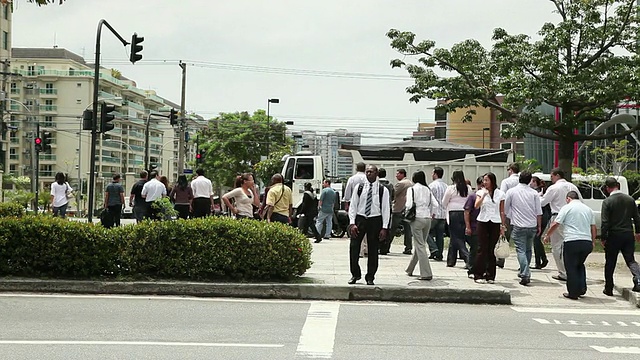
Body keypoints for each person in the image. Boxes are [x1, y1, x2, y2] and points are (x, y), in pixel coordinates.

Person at [544, 191, 596, 300]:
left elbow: (556, 223)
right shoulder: (588, 209)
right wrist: (593, 241)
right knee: (580, 264)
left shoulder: (566, 208)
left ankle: (573, 292)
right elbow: (593, 227)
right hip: (586, 242)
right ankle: (582, 288)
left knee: (571, 266)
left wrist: (547, 235)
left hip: (572, 240)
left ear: (568, 199)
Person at [347, 164, 390, 286]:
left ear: (376, 173)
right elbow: (353, 206)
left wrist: (384, 227)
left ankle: (370, 276)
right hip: (360, 219)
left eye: (371, 172)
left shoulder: (382, 190)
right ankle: (355, 274)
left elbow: (386, 209)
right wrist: (352, 223)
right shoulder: (359, 187)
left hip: (375, 220)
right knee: (354, 247)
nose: (368, 174)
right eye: (367, 172)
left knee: (373, 249)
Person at [600, 177, 640, 295]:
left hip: (614, 235)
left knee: (610, 262)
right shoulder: (630, 199)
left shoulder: (608, 202)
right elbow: (637, 218)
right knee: (630, 259)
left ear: (607, 188)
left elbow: (605, 222)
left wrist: (603, 237)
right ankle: (638, 280)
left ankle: (609, 288)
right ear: (618, 185)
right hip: (627, 233)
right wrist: (638, 232)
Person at [540, 167, 581, 282]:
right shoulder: (573, 187)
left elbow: (543, 202)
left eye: (552, 176)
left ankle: (563, 272)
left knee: (557, 246)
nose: (551, 179)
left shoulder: (554, 188)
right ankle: (571, 269)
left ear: (557, 175)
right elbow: (581, 201)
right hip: (573, 217)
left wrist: (536, 196)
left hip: (558, 216)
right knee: (569, 244)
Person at [503, 171, 542, 286]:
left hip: (518, 225)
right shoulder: (534, 193)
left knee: (520, 250)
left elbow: (505, 209)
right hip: (532, 225)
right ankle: (524, 270)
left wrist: (504, 221)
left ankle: (525, 273)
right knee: (528, 249)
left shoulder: (511, 192)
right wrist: (539, 225)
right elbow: (538, 212)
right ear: (530, 180)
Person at [473, 172, 506, 284]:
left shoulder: (500, 193)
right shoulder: (480, 192)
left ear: (492, 181)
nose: (485, 182)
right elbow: (476, 205)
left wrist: (503, 225)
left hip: (495, 221)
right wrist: (483, 196)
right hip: (483, 220)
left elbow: (502, 210)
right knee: (482, 248)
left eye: (487, 180)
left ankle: (490, 275)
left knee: (491, 249)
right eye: (484, 180)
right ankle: (478, 274)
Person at [404, 171, 438, 280]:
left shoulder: (412, 189)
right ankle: (410, 269)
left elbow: (409, 204)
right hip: (427, 218)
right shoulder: (427, 189)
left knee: (420, 245)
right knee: (421, 244)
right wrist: (432, 213)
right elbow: (436, 204)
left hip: (417, 218)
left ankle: (426, 273)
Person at [442, 170, 471, 267]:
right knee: (455, 237)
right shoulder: (468, 188)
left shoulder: (451, 188)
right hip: (465, 213)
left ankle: (467, 258)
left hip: (453, 213)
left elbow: (444, 202)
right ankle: (451, 260)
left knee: (456, 237)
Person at [386, 169, 413, 255]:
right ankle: (408, 248)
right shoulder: (410, 183)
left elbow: (393, 194)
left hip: (398, 209)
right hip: (408, 209)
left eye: (398, 174)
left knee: (392, 229)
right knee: (408, 230)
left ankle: (386, 247)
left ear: (402, 174)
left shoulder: (401, 184)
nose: (396, 176)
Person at [464, 176, 484, 278]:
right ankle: (471, 268)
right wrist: (468, 226)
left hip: (485, 226)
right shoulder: (473, 196)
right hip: (475, 226)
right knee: (474, 249)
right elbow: (467, 212)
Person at [427, 167, 447, 261]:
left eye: (432, 173)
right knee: (440, 235)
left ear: (435, 174)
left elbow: (430, 200)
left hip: (434, 214)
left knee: (425, 232)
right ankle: (439, 254)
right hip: (443, 214)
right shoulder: (446, 186)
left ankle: (433, 248)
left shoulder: (432, 186)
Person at [530, 176, 550, 269]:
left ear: (534, 182)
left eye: (531, 181)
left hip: (541, 217)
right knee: (536, 239)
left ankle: (541, 260)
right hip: (543, 216)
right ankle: (540, 260)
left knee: (536, 239)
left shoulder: (537, 192)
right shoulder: (539, 191)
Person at [377, 168, 394, 255]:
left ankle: (378, 246)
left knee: (377, 228)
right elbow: (393, 197)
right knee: (386, 227)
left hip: (378, 209)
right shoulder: (390, 185)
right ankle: (385, 248)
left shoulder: (377, 185)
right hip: (389, 208)